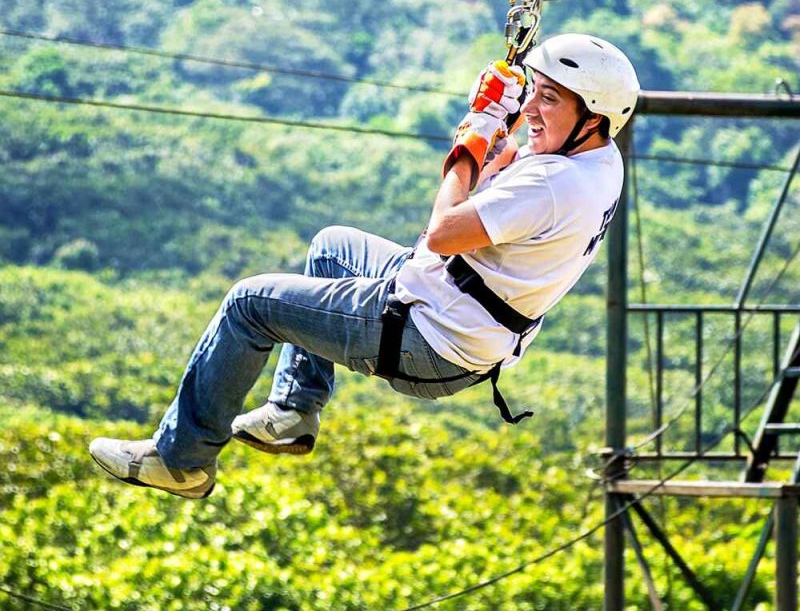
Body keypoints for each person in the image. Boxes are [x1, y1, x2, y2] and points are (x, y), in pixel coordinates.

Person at [89, 33, 640, 499]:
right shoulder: (597, 159)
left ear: (591, 117)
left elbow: (445, 231)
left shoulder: (553, 184)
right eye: (535, 95)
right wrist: (503, 122)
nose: (534, 112)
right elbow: (510, 169)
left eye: (550, 100)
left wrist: (474, 136)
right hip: (465, 313)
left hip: (430, 337)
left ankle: (180, 460)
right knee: (333, 247)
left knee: (249, 305)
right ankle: (293, 410)